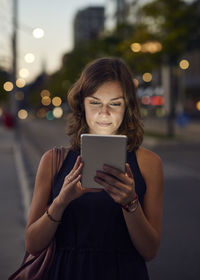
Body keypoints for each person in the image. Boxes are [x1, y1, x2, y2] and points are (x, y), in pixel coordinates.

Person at [25, 57, 164, 279]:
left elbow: (150, 251)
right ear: (82, 105)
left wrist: (130, 203)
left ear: (127, 107)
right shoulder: (53, 161)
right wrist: (60, 202)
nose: (104, 112)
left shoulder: (150, 164)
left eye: (115, 103)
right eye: (95, 102)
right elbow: (33, 244)